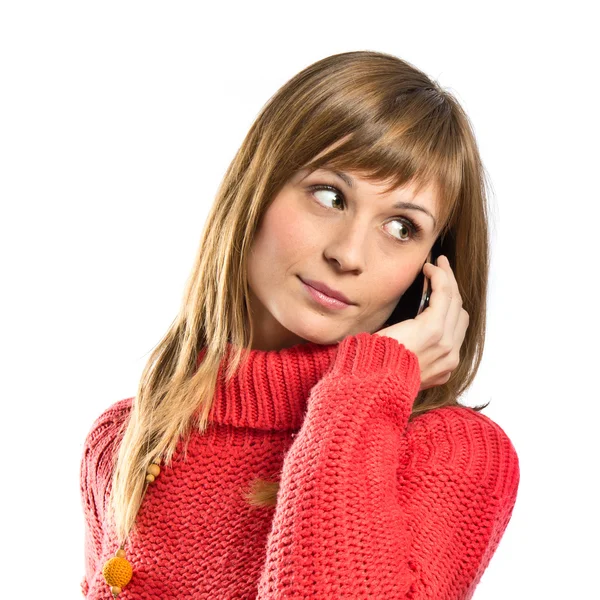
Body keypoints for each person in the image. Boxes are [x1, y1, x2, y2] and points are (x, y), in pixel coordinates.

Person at [80, 50, 520, 599]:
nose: (349, 253)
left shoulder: (453, 453)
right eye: (330, 195)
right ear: (257, 189)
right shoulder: (127, 442)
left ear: (432, 272)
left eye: (402, 227)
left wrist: (363, 391)